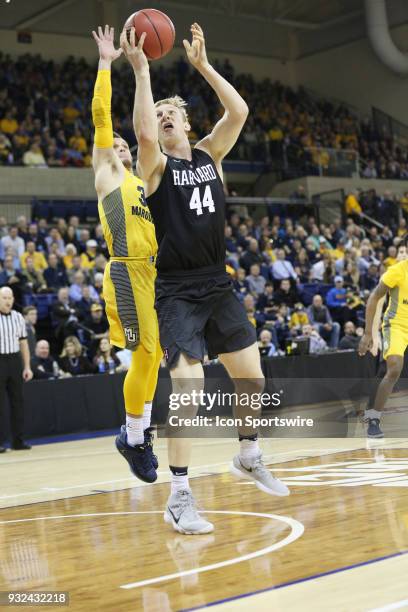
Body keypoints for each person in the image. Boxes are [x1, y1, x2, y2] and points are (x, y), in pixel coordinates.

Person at [121, 22, 288, 535]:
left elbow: (238, 112)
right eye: (160, 114)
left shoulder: (211, 155)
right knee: (189, 388)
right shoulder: (153, 166)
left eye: (174, 113)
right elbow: (143, 132)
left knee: (252, 378)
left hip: (218, 283)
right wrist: (142, 70)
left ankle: (249, 453)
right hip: (176, 289)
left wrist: (203, 66)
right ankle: (179, 495)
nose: (164, 118)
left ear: (189, 125)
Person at [91, 25, 162, 483]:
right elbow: (102, 115)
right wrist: (105, 63)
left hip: (154, 275)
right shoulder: (108, 173)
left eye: (124, 145)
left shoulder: (142, 183)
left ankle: (139, 433)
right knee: (144, 354)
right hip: (124, 272)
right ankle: (132, 437)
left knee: (153, 357)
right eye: (114, 145)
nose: (120, 147)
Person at [359, 236, 408, 438]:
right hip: (396, 325)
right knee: (394, 367)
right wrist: (368, 333)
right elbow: (374, 297)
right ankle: (374, 418)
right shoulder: (397, 271)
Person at [0, 286, 33, 451]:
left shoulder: (18, 317)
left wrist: (27, 366)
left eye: (10, 298)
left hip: (14, 361)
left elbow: (24, 343)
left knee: (17, 402)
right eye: (4, 298)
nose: (8, 301)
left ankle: (18, 441)